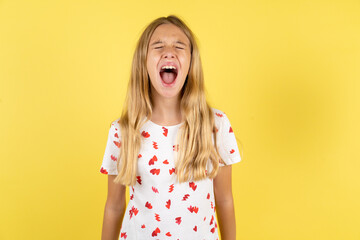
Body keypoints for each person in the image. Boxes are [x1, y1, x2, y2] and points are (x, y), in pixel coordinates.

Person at [99, 15, 242, 240]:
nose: (168, 52)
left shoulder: (215, 126)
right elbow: (114, 206)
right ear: (143, 62)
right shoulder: (123, 131)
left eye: (179, 46)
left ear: (191, 62)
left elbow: (224, 199)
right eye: (158, 46)